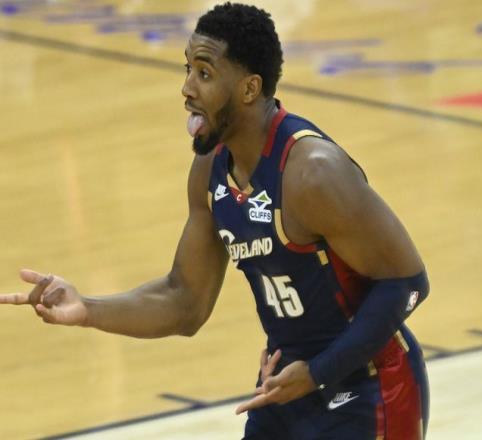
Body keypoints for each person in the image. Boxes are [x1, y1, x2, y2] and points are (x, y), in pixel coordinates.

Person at [0, 3, 430, 439]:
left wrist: (319, 371)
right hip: (286, 385)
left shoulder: (312, 173)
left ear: (249, 89)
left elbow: (409, 282)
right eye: (187, 69)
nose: (187, 88)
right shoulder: (210, 172)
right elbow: (185, 301)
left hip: (370, 387)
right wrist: (87, 309)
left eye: (204, 73)